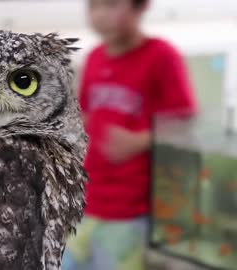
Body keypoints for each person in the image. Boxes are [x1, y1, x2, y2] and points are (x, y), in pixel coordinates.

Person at [63, 0, 197, 269]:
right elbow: (86, 114)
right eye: (93, 6)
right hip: (87, 199)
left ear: (140, 7)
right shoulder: (95, 57)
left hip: (131, 208)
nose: (100, 15)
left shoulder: (161, 55)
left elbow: (185, 123)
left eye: (111, 5)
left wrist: (141, 141)